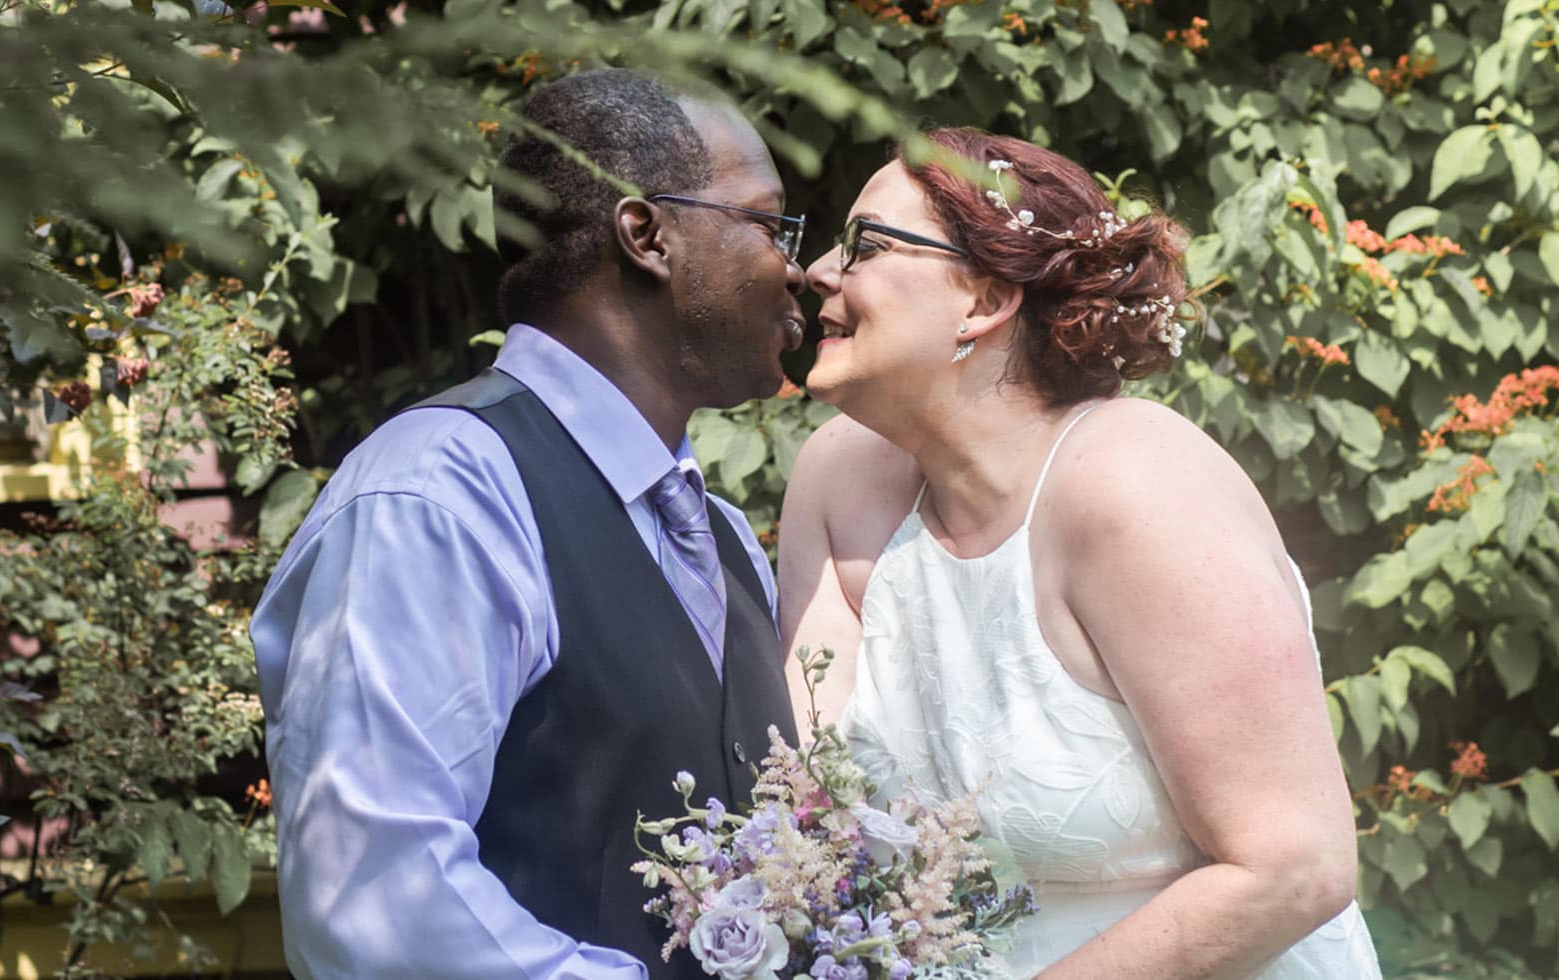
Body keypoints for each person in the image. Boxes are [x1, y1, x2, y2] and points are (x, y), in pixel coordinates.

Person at [777, 128, 1382, 978]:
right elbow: (815, 810)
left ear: (983, 300)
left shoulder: (1137, 485)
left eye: (868, 245)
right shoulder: (836, 479)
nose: (820, 275)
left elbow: (1294, 866)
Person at [251, 68, 809, 978]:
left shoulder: (727, 539)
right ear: (647, 235)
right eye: (766, 221)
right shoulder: (438, 492)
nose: (797, 266)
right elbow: (376, 901)